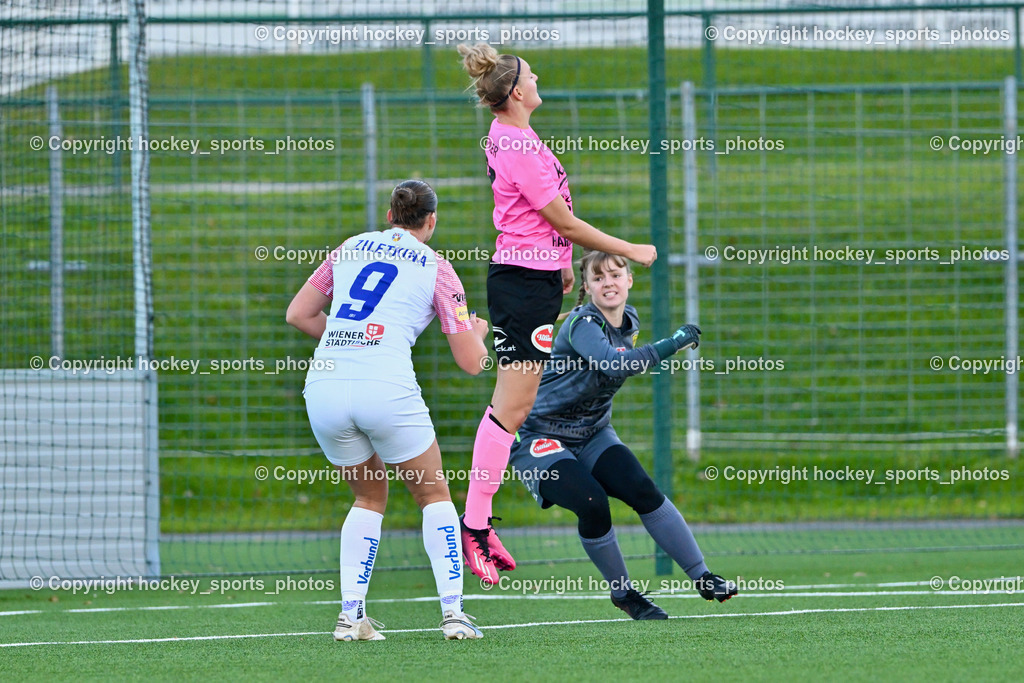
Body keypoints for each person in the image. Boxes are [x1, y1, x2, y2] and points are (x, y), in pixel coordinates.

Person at [456, 42, 659, 584]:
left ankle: (476, 522)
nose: (537, 79)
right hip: (522, 285)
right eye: (530, 75)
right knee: (512, 405)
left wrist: (561, 262)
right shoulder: (514, 140)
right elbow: (563, 220)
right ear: (515, 92)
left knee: (515, 403)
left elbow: (542, 217)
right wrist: (630, 249)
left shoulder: (518, 134)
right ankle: (474, 524)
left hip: (536, 280)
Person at [286, 180, 490, 641]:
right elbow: (471, 363)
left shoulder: (349, 248)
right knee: (433, 495)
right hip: (385, 389)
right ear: (431, 221)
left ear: (389, 215)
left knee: (368, 497)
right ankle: (454, 615)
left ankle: (350, 617)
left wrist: (350, 340)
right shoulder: (438, 267)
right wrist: (477, 334)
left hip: (325, 387)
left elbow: (299, 314)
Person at [507, 250, 738, 619]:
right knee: (592, 503)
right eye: (598, 278)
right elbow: (615, 365)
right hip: (539, 435)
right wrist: (673, 342)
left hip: (593, 432)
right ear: (587, 287)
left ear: (629, 280)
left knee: (642, 490)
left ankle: (704, 577)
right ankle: (624, 594)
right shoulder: (583, 324)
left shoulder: (629, 319)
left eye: (615, 275)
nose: (608, 283)